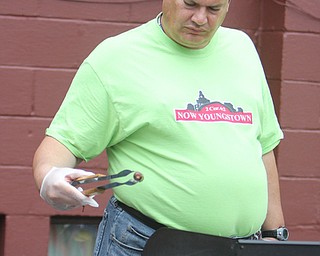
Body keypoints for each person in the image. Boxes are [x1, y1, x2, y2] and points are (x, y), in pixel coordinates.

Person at [33, 0, 288, 255]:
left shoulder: (241, 48)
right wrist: (49, 177)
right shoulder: (117, 57)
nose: (200, 19)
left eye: (213, 9)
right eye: (190, 4)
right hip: (144, 241)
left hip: (243, 246)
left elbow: (263, 145)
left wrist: (274, 235)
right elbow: (61, 144)